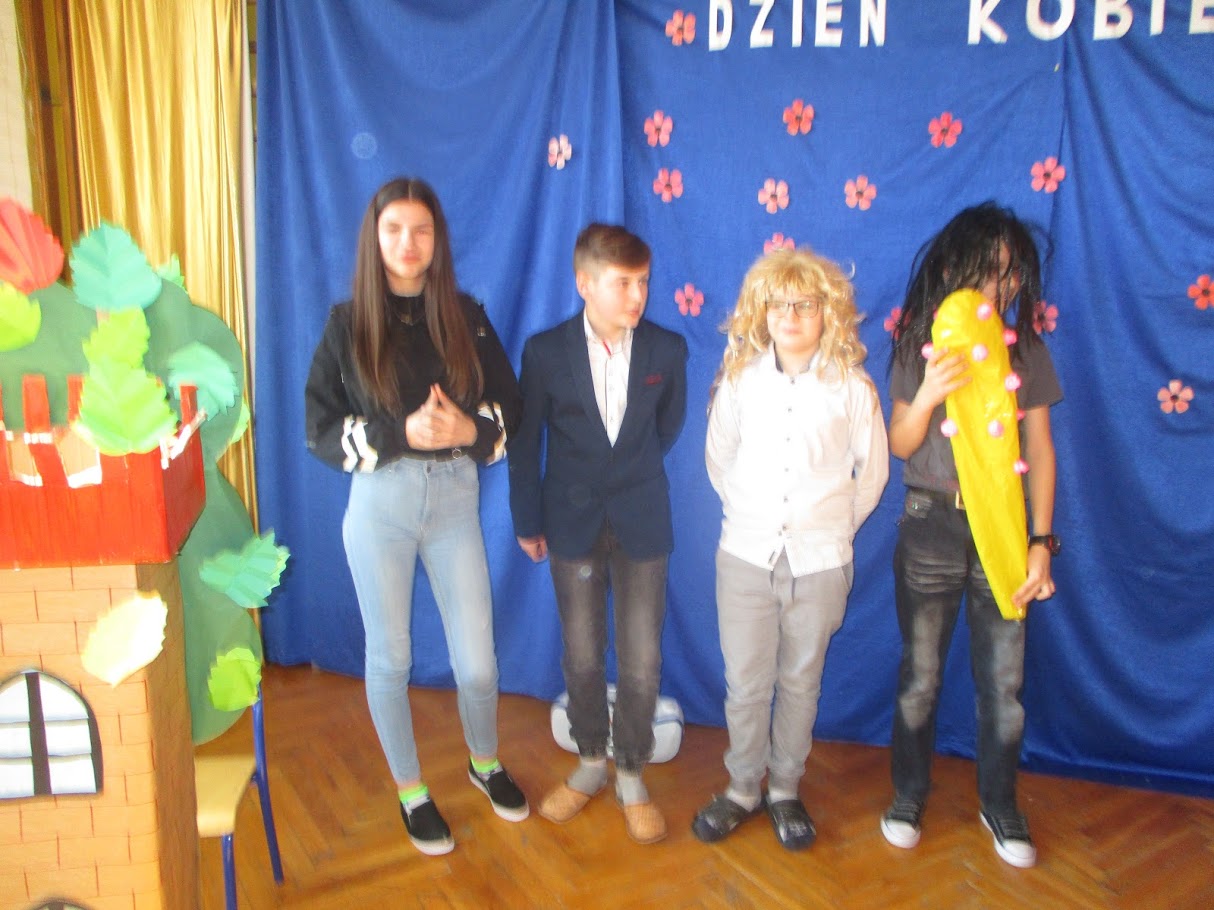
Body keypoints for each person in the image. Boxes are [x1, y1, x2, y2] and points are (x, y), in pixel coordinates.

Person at [304, 177, 527, 856]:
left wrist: (467, 429)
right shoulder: (347, 324)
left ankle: (483, 762)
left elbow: (511, 409)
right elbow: (319, 430)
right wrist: (400, 432)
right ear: (374, 239)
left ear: (438, 240)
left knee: (479, 665)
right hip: (381, 508)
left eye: (422, 230)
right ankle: (411, 791)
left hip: (455, 502)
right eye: (394, 229)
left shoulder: (466, 315)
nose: (409, 243)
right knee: (391, 657)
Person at [881, 202, 1062, 868]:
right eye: (987, 270)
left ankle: (1000, 802)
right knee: (920, 677)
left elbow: (1040, 451)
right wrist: (930, 392)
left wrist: (1041, 542)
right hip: (931, 519)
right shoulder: (920, 340)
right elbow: (900, 443)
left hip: (1004, 530)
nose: (998, 286)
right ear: (954, 266)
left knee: (1003, 685)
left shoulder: (1025, 350)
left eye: (1010, 275)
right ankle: (908, 795)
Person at [691, 248, 889, 851]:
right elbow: (719, 460)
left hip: (821, 562)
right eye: (779, 304)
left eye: (805, 304)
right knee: (746, 685)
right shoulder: (741, 383)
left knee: (801, 684)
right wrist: (759, 520)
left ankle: (783, 789)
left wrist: (830, 530)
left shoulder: (852, 388)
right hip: (746, 557)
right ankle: (742, 789)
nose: (791, 316)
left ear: (828, 311)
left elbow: (872, 476)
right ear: (763, 311)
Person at [508, 223, 688, 845]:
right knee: (582, 652)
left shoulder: (667, 350)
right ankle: (589, 760)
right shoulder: (544, 352)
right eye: (623, 283)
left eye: (643, 282)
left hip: (643, 520)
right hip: (570, 521)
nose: (637, 295)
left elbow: (667, 428)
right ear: (584, 283)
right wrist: (528, 520)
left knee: (642, 657)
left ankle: (631, 771)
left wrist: (626, 471)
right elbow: (527, 441)